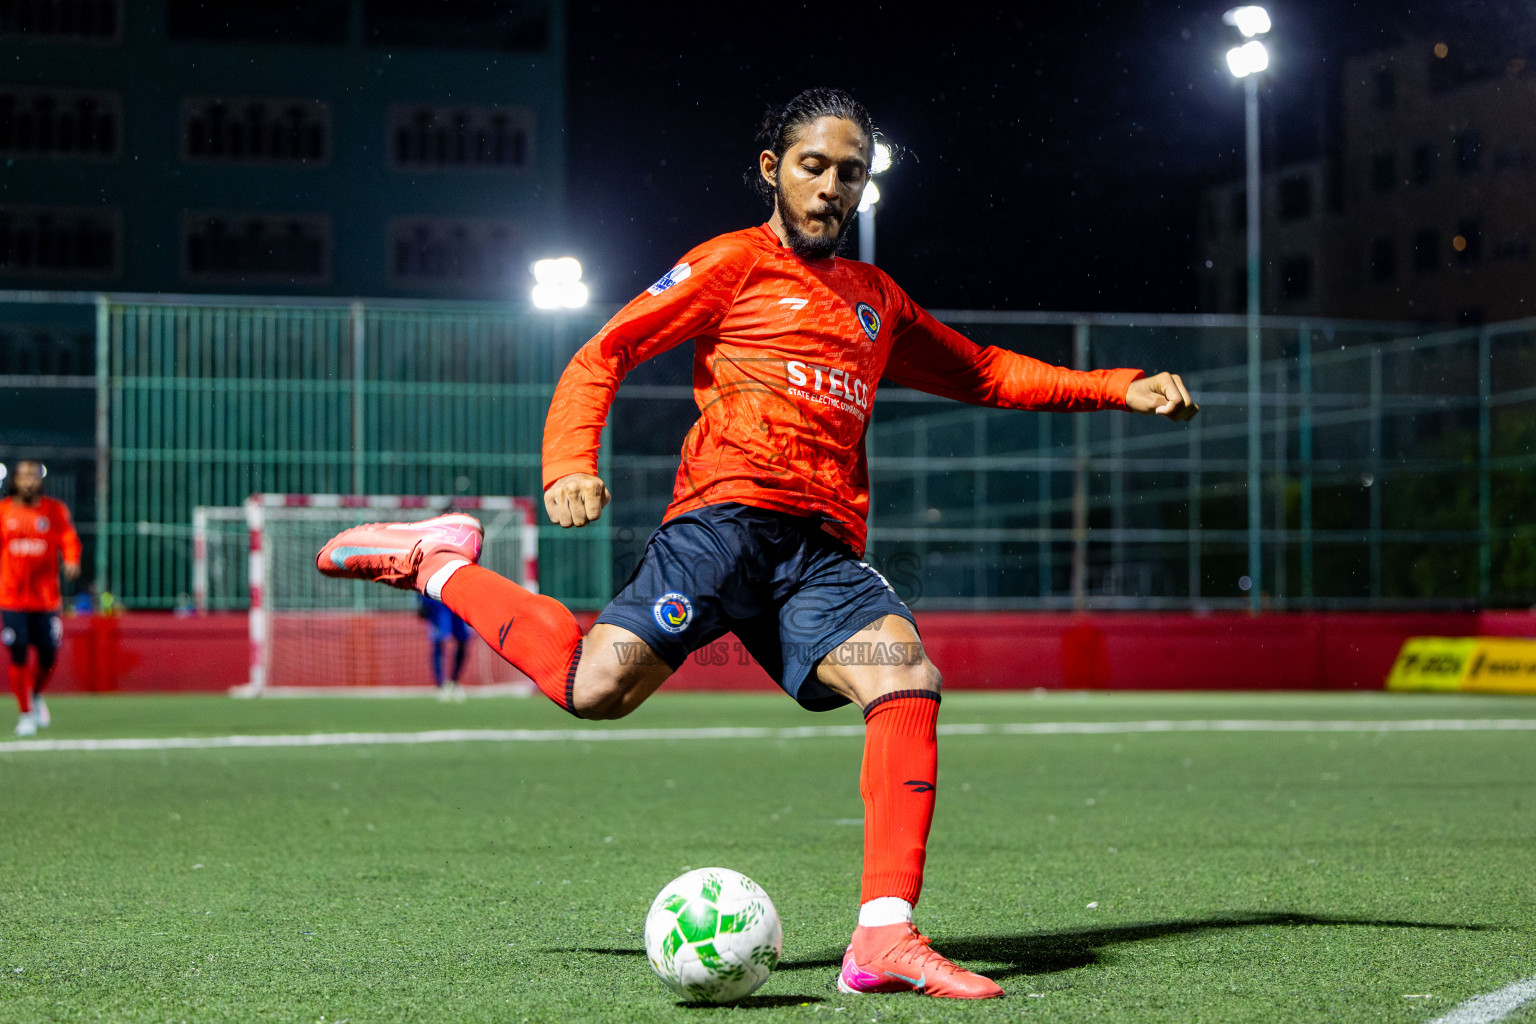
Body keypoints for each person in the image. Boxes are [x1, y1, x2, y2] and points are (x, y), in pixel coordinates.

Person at [317, 88, 1198, 999]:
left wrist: (1116, 386)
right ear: (774, 170)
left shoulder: (876, 300)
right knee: (594, 689)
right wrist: (568, 461)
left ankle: (884, 938)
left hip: (821, 552)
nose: (830, 188)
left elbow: (982, 372)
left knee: (906, 680)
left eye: (849, 172)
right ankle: (437, 560)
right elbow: (602, 355)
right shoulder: (729, 264)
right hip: (722, 527)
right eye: (813, 166)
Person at [1, 460, 82, 737]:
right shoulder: (3, 512)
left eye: (32, 476)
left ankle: (35, 694)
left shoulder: (54, 510)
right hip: (12, 597)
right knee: (19, 651)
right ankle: (25, 714)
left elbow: (69, 537)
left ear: (40, 480)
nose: (28, 481)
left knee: (48, 654)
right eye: (23, 476)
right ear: (14, 480)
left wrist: (72, 559)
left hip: (46, 599)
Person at [418, 592, 470, 700]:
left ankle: (454, 681)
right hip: (437, 603)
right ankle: (440, 685)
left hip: (457, 602)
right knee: (439, 641)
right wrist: (421, 601)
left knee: (463, 641)